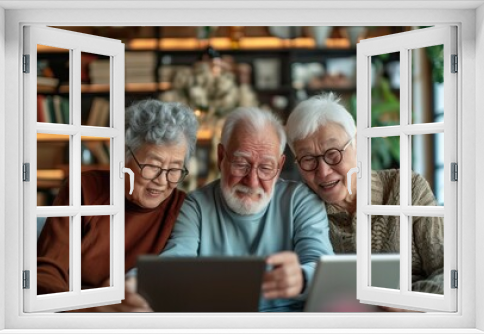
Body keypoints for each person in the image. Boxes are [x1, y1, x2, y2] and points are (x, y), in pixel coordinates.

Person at [159, 107, 334, 312]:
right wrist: (136, 284)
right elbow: (174, 264)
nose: (252, 181)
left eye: (266, 168)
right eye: (241, 164)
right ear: (221, 156)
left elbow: (320, 263)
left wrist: (302, 277)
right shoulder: (196, 205)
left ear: (279, 166)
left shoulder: (300, 200)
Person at [36, 99, 199, 312]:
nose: (162, 180)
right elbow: (46, 275)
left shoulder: (183, 208)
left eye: (175, 169)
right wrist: (98, 311)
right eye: (152, 166)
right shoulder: (86, 190)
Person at [285, 92, 444, 297]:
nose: (323, 171)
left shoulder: (407, 187)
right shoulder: (301, 210)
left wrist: (408, 306)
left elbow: (448, 272)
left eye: (333, 153)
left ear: (357, 144)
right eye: (308, 159)